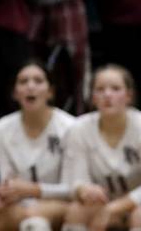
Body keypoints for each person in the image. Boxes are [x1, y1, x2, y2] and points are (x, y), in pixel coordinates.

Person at [0, 61, 75, 231]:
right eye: (23, 82)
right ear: (15, 93)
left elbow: (73, 187)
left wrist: (33, 190)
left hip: (62, 203)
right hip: (21, 205)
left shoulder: (70, 126)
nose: (30, 86)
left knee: (34, 218)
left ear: (50, 92)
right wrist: (4, 192)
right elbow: (6, 179)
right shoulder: (2, 128)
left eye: (38, 81)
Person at [60, 65, 141, 230]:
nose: (107, 94)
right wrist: (84, 189)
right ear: (92, 98)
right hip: (100, 203)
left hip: (135, 203)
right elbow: (74, 179)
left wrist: (115, 207)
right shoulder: (79, 128)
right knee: (76, 210)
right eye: (100, 89)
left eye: (116, 88)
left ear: (129, 96)